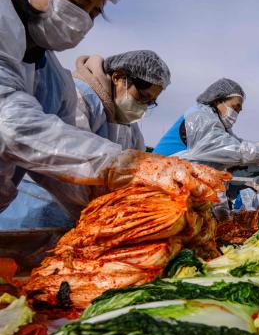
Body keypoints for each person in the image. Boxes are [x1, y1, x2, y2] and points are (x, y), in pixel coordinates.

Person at [0, 0, 224, 225]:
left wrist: (134, 209)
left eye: (94, 13)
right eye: (77, 1)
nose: (84, 20)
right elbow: (13, 125)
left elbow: (65, 168)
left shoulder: (52, 79)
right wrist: (131, 166)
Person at [0, 49, 171, 228]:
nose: (143, 106)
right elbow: (65, 164)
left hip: (92, 217)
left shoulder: (128, 124)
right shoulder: (80, 97)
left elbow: (138, 166)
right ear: (118, 77)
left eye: (150, 102)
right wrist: (104, 209)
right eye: (142, 97)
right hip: (48, 208)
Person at [154, 78, 259, 169]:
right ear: (217, 100)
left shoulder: (220, 130)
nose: (237, 113)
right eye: (235, 107)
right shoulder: (199, 117)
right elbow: (237, 151)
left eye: (240, 109)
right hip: (158, 188)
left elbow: (219, 165)